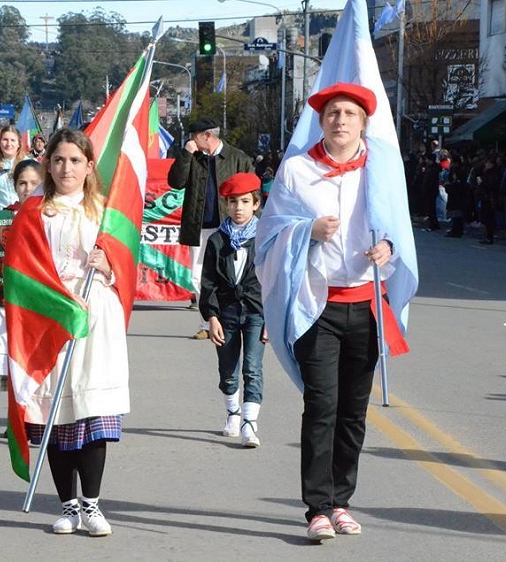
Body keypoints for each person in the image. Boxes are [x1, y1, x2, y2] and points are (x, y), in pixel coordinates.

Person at [255, 83, 415, 542]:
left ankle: (343, 500)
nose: (340, 121)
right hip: (317, 307)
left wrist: (388, 247)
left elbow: (399, 227)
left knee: (353, 412)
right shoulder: (297, 171)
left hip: (366, 305)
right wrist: (308, 230)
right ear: (320, 122)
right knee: (321, 405)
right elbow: (270, 234)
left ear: (363, 122)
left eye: (349, 114)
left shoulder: (382, 169)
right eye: (331, 114)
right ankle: (317, 509)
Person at [5, 128, 129, 536]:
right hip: (50, 319)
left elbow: (130, 269)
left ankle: (92, 505)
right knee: (55, 415)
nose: (66, 168)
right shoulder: (34, 212)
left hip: (96, 317)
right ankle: (68, 505)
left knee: (91, 412)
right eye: (58, 160)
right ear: (48, 164)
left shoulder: (106, 213)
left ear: (89, 166)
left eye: (75, 160)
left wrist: (109, 267)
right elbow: (19, 270)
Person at [166, 117, 253, 339]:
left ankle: (237, 319)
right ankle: (208, 323)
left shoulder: (237, 157)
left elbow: (252, 191)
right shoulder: (193, 157)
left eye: (193, 137)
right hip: (200, 226)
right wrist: (186, 154)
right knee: (199, 275)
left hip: (231, 227)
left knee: (233, 275)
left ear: (207, 136)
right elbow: (175, 181)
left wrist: (254, 225)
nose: (191, 141)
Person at [199, 172, 267, 448]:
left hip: (256, 312)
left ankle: (250, 423)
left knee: (252, 367)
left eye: (245, 201)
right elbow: (208, 282)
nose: (238, 207)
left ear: (256, 204)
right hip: (226, 313)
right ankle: (233, 413)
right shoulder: (217, 241)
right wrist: (211, 317)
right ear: (226, 205)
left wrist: (271, 318)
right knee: (228, 368)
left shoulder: (264, 238)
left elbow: (275, 279)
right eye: (233, 202)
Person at [0, 159, 42, 393]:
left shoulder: (50, 218)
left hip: (39, 307)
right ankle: (14, 426)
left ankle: (32, 425)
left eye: (34, 183)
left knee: (35, 368)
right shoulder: (1, 219)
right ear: (14, 185)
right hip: (5, 305)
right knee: (10, 368)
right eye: (22, 183)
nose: (28, 188)